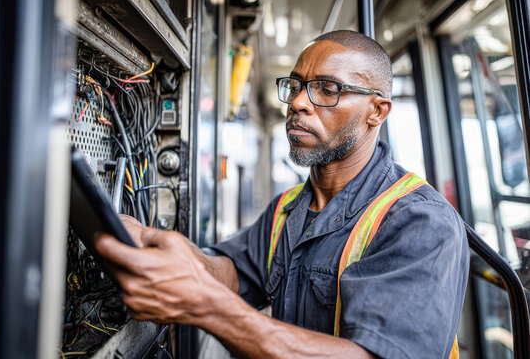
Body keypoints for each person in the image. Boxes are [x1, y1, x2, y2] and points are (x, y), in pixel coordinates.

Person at [95, 30, 469, 359]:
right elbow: (235, 274)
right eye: (296, 85)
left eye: (327, 88)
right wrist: (155, 243)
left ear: (377, 111)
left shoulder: (419, 221)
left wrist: (207, 306)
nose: (298, 103)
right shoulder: (288, 210)